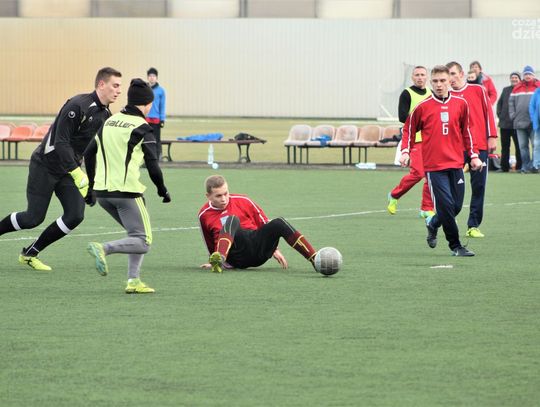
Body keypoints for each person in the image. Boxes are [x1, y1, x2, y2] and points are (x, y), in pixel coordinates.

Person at [0, 67, 122, 271]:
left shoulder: (105, 114)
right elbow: (60, 142)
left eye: (120, 86)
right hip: (45, 166)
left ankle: (30, 253)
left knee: (75, 215)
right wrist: (77, 173)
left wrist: (91, 185)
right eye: (115, 85)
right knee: (32, 218)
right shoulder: (78, 105)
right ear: (102, 84)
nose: (119, 91)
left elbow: (91, 150)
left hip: (68, 170)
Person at [84, 78, 171, 294]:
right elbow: (153, 166)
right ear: (148, 104)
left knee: (135, 234)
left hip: (103, 194)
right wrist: (162, 190)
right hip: (127, 193)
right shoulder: (143, 128)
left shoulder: (109, 122)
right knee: (143, 241)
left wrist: (92, 186)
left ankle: (133, 281)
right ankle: (104, 248)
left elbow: (89, 153)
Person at [400, 65, 483, 256]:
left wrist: (474, 156)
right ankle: (456, 246)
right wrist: (405, 152)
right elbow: (408, 130)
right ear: (431, 82)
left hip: (456, 164)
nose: (439, 85)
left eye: (443, 80)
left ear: (449, 82)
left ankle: (433, 223)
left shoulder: (461, 104)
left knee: (455, 207)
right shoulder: (422, 107)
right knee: (445, 206)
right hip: (434, 167)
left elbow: (468, 132)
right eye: (435, 81)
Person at [198, 175, 318, 273]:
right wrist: (212, 261)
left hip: (257, 250)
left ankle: (315, 259)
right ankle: (219, 259)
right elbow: (209, 243)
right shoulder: (204, 215)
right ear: (208, 196)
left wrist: (274, 249)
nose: (224, 199)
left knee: (278, 222)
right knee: (232, 220)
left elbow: (264, 223)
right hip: (236, 256)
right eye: (218, 196)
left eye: (226, 193)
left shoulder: (243, 200)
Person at [446, 61, 497, 239]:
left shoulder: (478, 90)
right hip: (455, 148)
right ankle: (448, 219)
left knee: (479, 186)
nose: (450, 78)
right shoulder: (447, 96)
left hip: (479, 146)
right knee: (453, 186)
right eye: (447, 75)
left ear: (461, 74)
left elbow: (488, 113)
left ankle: (473, 225)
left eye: (453, 74)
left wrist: (492, 136)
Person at [387, 66, 434, 218]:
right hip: (415, 140)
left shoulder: (431, 93)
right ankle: (394, 194)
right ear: (412, 77)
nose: (420, 77)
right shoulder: (407, 93)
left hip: (430, 140)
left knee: (431, 175)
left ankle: (426, 208)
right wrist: (421, 122)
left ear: (427, 77)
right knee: (418, 173)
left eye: (422, 75)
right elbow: (402, 117)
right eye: (417, 75)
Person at [509, 65, 540, 173]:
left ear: (533, 75)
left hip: (534, 123)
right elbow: (511, 103)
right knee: (522, 146)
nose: (527, 76)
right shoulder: (517, 88)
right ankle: (525, 167)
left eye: (529, 74)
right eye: (526, 74)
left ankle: (535, 166)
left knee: (536, 145)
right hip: (519, 122)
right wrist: (513, 115)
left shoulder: (538, 87)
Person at [496, 71, 522, 172]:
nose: (514, 79)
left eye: (516, 78)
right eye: (512, 78)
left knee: (519, 147)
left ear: (519, 79)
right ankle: (504, 167)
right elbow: (499, 104)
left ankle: (520, 166)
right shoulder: (505, 90)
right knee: (505, 147)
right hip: (504, 124)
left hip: (517, 125)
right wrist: (500, 115)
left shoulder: (521, 90)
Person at [146, 67, 166, 160]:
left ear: (156, 78)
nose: (152, 78)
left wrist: (162, 119)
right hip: (145, 119)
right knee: (146, 140)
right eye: (150, 76)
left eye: (153, 76)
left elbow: (162, 106)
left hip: (156, 119)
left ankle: (157, 158)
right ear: (147, 77)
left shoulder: (161, 91)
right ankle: (147, 159)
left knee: (156, 140)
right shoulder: (144, 89)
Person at [529, 79, 540, 173]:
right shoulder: (537, 92)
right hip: (538, 125)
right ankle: (536, 165)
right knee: (537, 145)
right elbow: (531, 106)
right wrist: (534, 119)